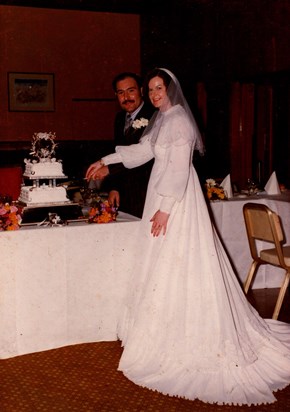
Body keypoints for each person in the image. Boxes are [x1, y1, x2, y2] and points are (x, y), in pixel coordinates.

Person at [86, 68, 290, 406]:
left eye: (158, 88)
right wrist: (105, 159)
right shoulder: (162, 119)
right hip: (163, 196)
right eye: (150, 89)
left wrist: (165, 209)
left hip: (176, 201)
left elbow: (179, 170)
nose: (153, 94)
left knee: (180, 261)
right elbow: (141, 153)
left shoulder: (178, 120)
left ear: (170, 89)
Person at [100, 72, 155, 218]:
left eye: (131, 91)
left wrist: (109, 169)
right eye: (121, 93)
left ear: (141, 91)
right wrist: (114, 187)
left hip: (147, 191)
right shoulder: (119, 119)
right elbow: (117, 153)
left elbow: (145, 157)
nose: (126, 97)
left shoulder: (154, 116)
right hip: (125, 193)